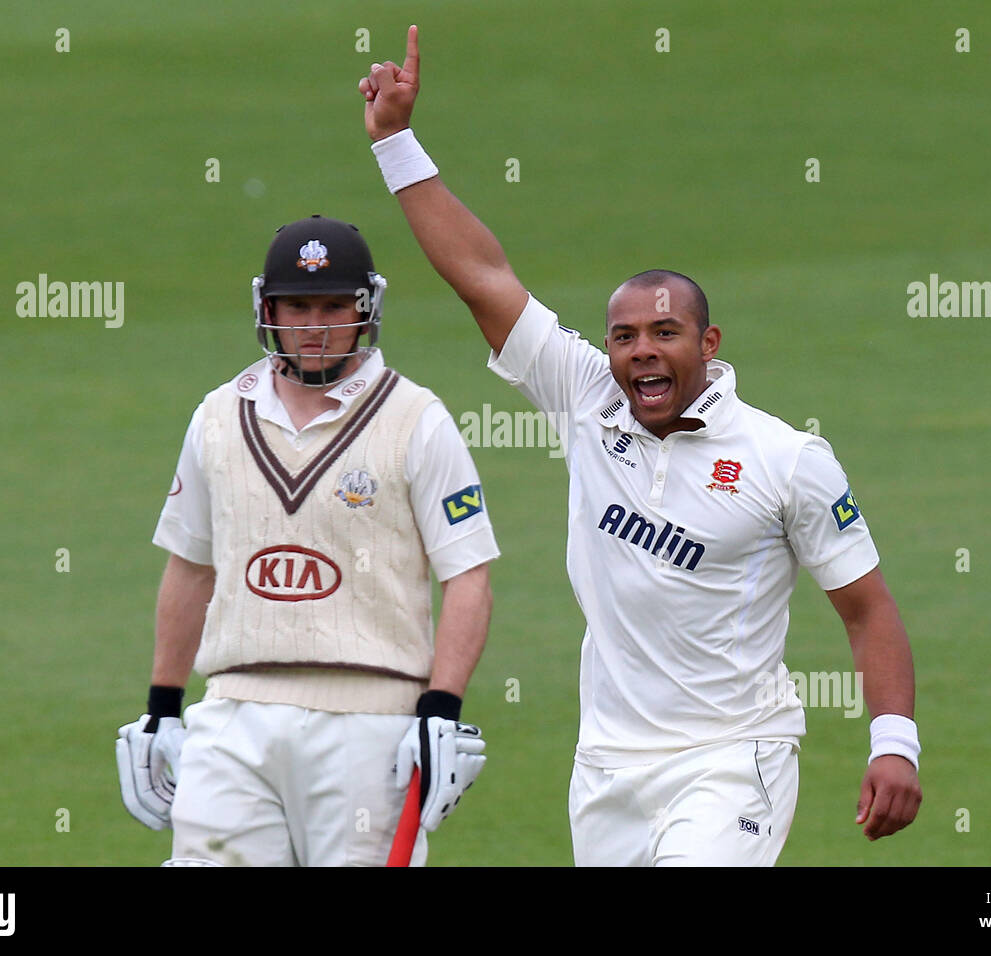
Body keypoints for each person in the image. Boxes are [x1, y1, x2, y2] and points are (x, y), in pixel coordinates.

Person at [356, 27, 922, 866]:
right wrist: (396, 142)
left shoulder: (786, 458)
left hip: (736, 757)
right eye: (624, 336)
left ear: (710, 342)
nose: (642, 351)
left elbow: (867, 606)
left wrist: (895, 742)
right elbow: (484, 277)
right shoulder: (588, 397)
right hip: (608, 767)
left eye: (666, 332)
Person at [115, 215, 498, 866]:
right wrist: (162, 706)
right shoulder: (216, 416)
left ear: (365, 309)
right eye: (298, 306)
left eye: (332, 306)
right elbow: (190, 566)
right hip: (233, 713)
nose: (315, 324)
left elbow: (468, 574)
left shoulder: (417, 420)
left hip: (370, 726)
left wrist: (440, 708)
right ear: (268, 308)